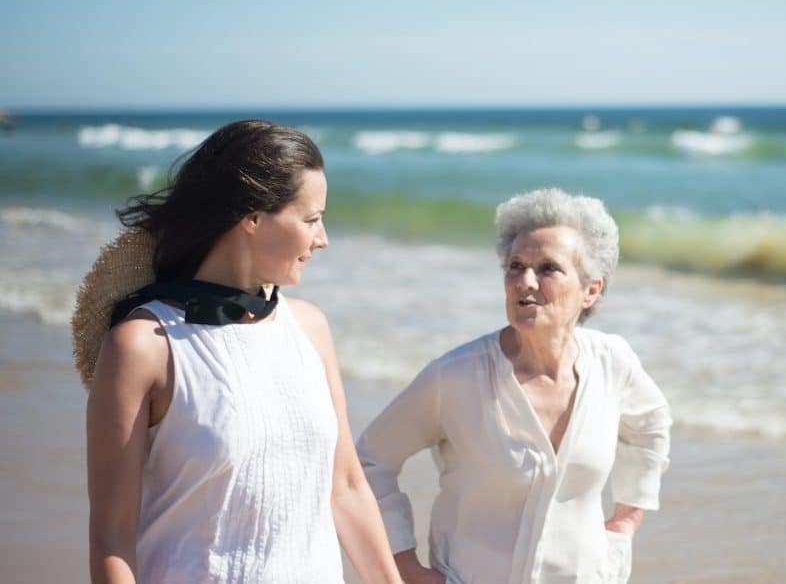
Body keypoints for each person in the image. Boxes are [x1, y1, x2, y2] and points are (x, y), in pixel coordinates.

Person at [77, 120, 402, 583]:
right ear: (251, 217)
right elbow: (111, 540)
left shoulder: (310, 328)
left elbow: (346, 487)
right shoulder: (144, 345)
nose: (323, 238)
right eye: (310, 219)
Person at [357, 188, 672, 583]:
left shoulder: (613, 362)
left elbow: (652, 425)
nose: (525, 281)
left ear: (591, 289)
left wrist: (626, 522)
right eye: (515, 265)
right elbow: (371, 461)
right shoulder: (456, 376)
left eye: (547, 269)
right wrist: (405, 568)